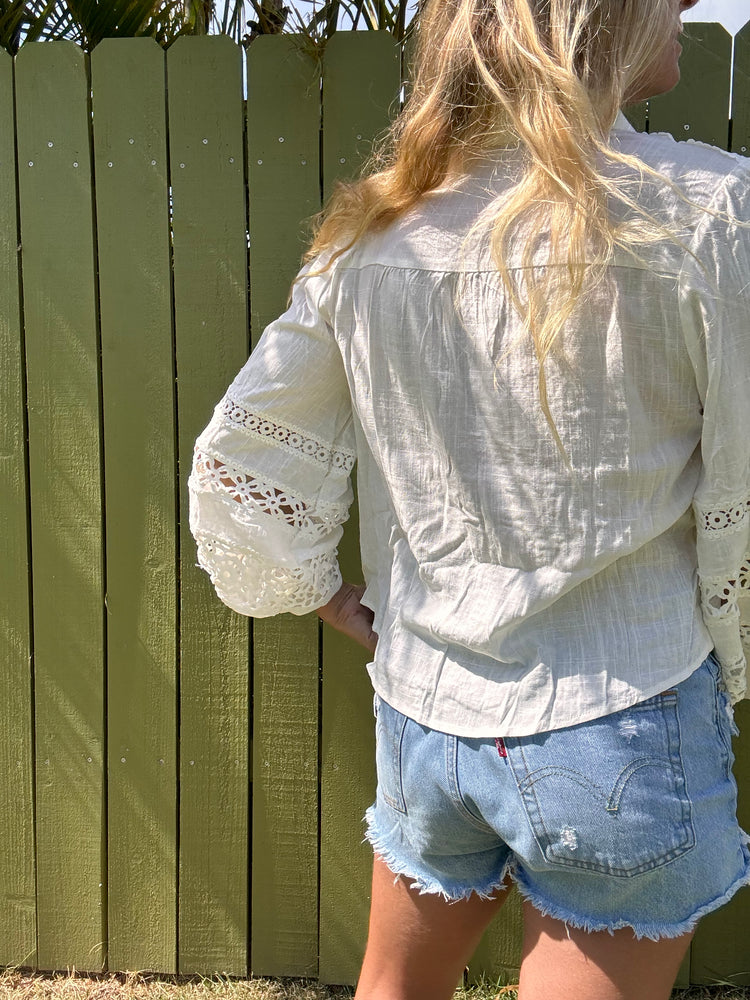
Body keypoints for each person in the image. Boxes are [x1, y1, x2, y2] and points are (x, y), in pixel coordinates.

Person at [188, 0, 750, 995]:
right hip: (621, 711)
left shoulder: (375, 231)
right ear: (599, 21)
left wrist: (320, 590)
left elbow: (246, 458)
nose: (691, 8)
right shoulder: (711, 215)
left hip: (427, 717)